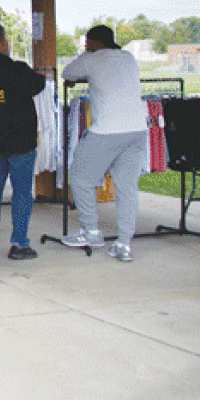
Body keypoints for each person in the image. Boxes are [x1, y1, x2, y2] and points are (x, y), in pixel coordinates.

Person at [59, 24, 148, 263]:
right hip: (138, 129)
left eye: (88, 43)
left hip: (107, 129)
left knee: (79, 177)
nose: (86, 47)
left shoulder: (93, 59)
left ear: (95, 43)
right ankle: (124, 244)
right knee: (127, 188)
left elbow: (67, 73)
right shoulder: (128, 57)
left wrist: (86, 57)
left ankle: (91, 232)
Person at [0, 23, 47, 260]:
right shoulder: (16, 69)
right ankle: (19, 243)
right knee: (22, 192)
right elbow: (37, 85)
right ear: (3, 43)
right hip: (20, 144)